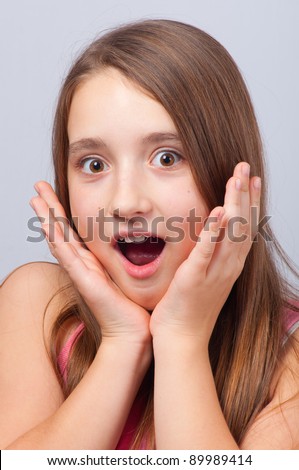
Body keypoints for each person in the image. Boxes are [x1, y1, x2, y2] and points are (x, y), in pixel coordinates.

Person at [0, 19, 298, 450]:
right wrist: (122, 345)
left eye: (166, 157)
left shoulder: (289, 359)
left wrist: (182, 339)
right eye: (94, 165)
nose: (124, 203)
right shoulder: (39, 306)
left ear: (230, 172)